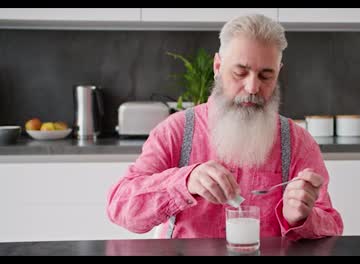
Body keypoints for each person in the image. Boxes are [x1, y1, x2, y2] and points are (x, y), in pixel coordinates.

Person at [107, 13, 343, 240]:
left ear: (278, 73)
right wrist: (185, 182)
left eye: (265, 76)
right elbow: (120, 208)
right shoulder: (176, 131)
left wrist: (301, 218)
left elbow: (332, 226)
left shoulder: (297, 142)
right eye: (240, 72)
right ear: (218, 66)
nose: (252, 87)